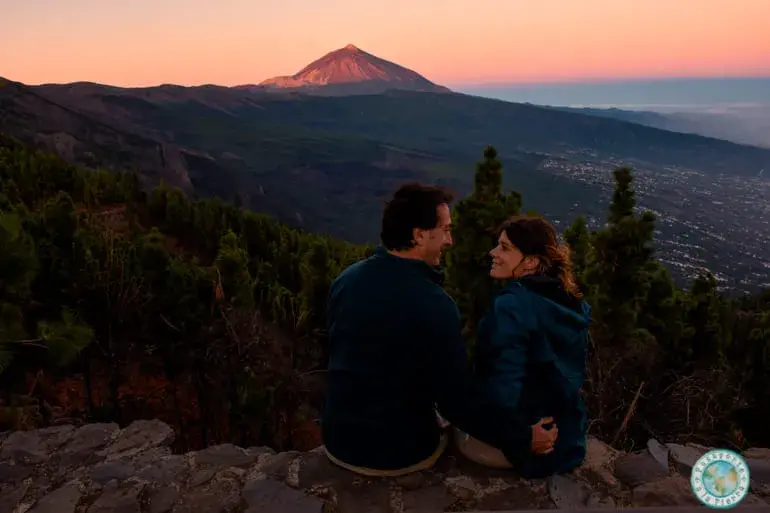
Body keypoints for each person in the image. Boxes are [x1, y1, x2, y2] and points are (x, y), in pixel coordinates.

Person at [321, 183, 556, 476]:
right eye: (444, 230)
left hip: (338, 441)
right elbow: (456, 403)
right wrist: (523, 436)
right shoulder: (434, 304)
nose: (450, 240)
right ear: (419, 235)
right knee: (478, 441)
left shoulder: (346, 280)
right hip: (395, 454)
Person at [454, 214, 591, 478]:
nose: (493, 252)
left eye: (505, 248)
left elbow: (502, 391)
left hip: (526, 445)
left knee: (455, 430)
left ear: (530, 261)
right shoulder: (572, 306)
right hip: (566, 440)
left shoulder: (512, 306)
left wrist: (522, 435)